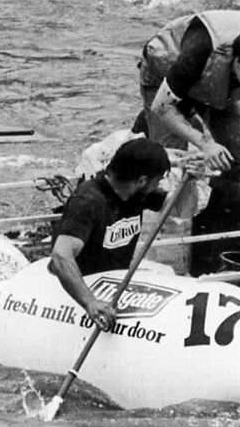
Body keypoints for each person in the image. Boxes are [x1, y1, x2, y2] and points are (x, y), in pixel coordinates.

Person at [138, 10, 240, 271]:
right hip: (165, 80)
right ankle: (167, 249)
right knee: (170, 163)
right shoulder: (199, 53)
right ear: (236, 61)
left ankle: (222, 249)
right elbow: (163, 106)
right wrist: (204, 143)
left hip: (214, 92)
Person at [49, 137, 171, 328]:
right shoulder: (88, 201)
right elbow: (60, 256)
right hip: (81, 286)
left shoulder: (136, 193)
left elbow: (181, 210)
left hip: (113, 281)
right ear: (142, 180)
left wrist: (191, 181)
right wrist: (90, 302)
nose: (158, 187)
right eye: (158, 181)